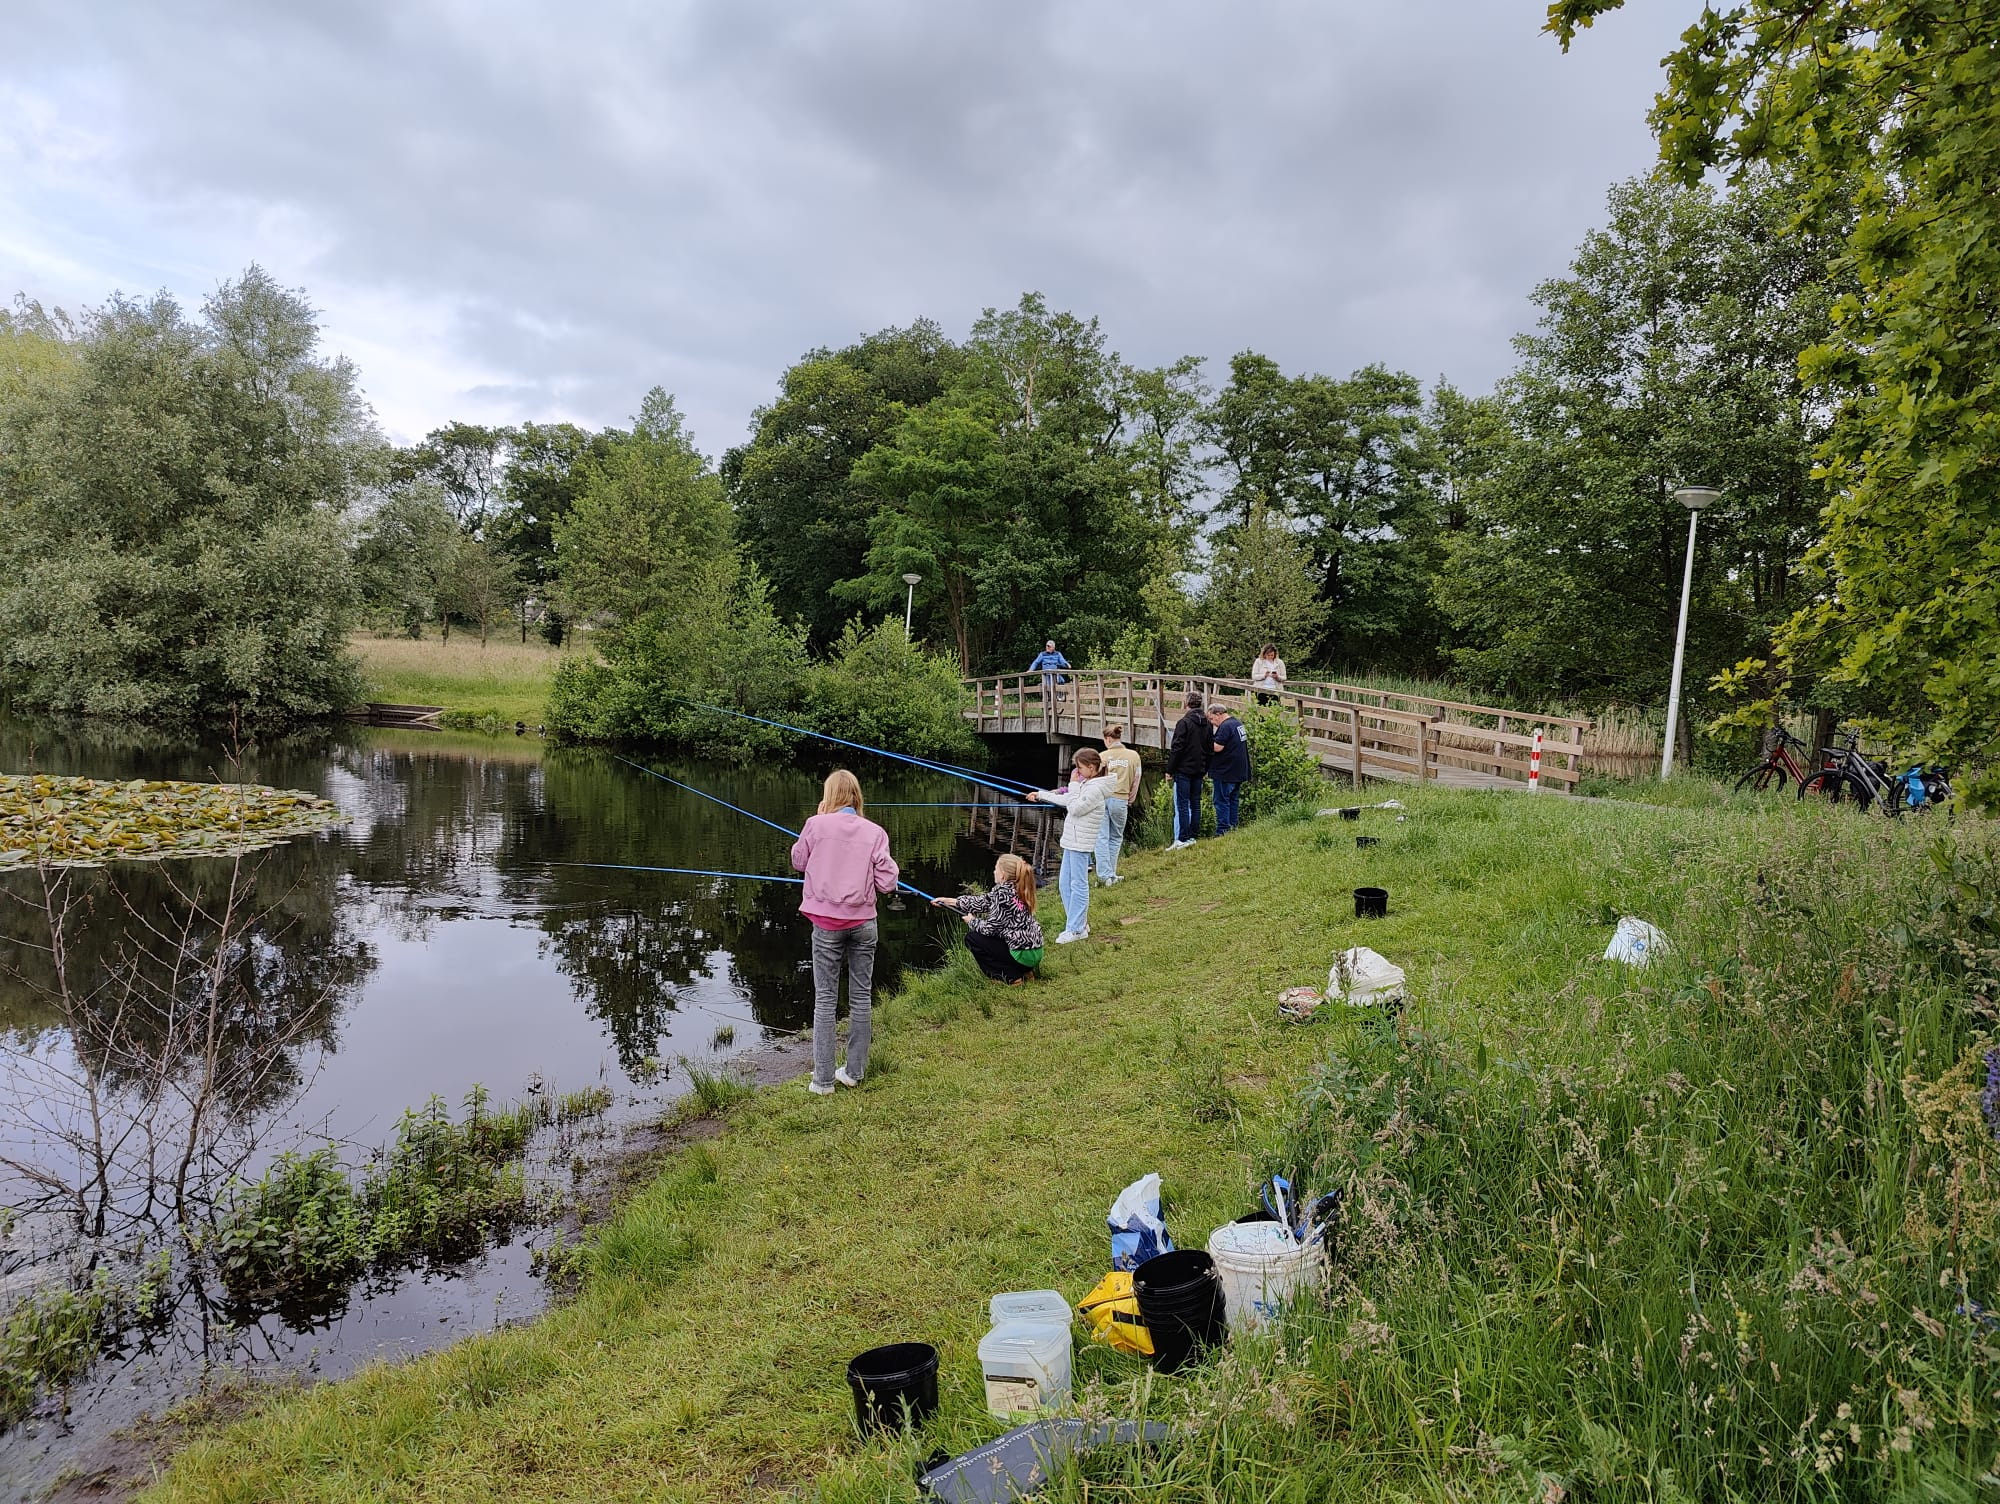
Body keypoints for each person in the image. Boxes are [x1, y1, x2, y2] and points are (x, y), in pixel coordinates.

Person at [789, 769, 898, 1094]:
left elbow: (798, 861)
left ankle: (822, 1082)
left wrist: (818, 822)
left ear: (829, 796)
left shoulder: (815, 824)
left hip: (825, 926)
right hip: (864, 924)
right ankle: (853, 1072)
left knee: (825, 1001)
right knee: (861, 998)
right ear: (856, 797)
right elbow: (887, 883)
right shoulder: (875, 832)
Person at [1026, 747, 1114, 943]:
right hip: (1072, 841)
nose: (1077, 772)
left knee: (1078, 885)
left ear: (1092, 768)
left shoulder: (1095, 788)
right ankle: (1077, 923)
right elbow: (1066, 799)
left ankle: (1076, 929)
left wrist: (1073, 785)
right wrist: (1040, 795)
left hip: (1080, 843)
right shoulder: (1088, 784)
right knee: (1065, 884)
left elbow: (1075, 807)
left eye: (1080, 768)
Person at [931, 853, 1045, 984]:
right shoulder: (1018, 888)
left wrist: (972, 921)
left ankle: (1012, 977)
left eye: (996, 868)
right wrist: (951, 901)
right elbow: (982, 902)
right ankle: (1026, 972)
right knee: (1000, 936)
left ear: (1002, 874)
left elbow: (990, 929)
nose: (994, 871)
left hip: (1021, 956)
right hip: (1034, 953)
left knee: (973, 938)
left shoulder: (1001, 894)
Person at [1095, 724, 1142, 885]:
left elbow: (1095, 780)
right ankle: (1111, 873)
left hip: (1102, 799)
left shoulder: (1101, 756)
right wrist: (1130, 799)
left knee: (1101, 837)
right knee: (1115, 837)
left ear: (1108, 739)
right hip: (1120, 799)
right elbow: (1136, 780)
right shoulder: (1133, 755)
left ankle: (1103, 875)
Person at [1164, 690, 1209, 850]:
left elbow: (1177, 748)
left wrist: (1170, 770)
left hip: (1184, 770)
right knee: (1195, 803)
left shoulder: (1184, 723)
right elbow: (1209, 748)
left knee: (1182, 805)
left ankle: (1182, 838)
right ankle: (1192, 835)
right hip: (1199, 768)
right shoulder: (1207, 723)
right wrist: (1206, 768)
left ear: (1187, 703)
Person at [1206, 701, 1250, 835]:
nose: (1212, 723)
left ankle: (1222, 831)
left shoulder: (1225, 726)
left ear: (1218, 714)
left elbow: (1218, 747)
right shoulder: (1237, 723)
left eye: (1212, 719)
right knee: (1233, 800)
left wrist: (1202, 742)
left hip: (1225, 771)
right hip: (1238, 770)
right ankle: (1233, 828)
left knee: (1221, 801)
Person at [1028, 640, 1070, 707]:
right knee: (1048, 685)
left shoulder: (1057, 654)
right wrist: (1030, 670)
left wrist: (1067, 664)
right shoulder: (1042, 654)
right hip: (1046, 675)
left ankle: (1060, 696)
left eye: (1049, 646)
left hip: (1055, 674)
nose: (1047, 647)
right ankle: (1047, 698)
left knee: (1061, 681)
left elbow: (1062, 661)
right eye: (1047, 646)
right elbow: (1036, 662)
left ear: (1053, 647)